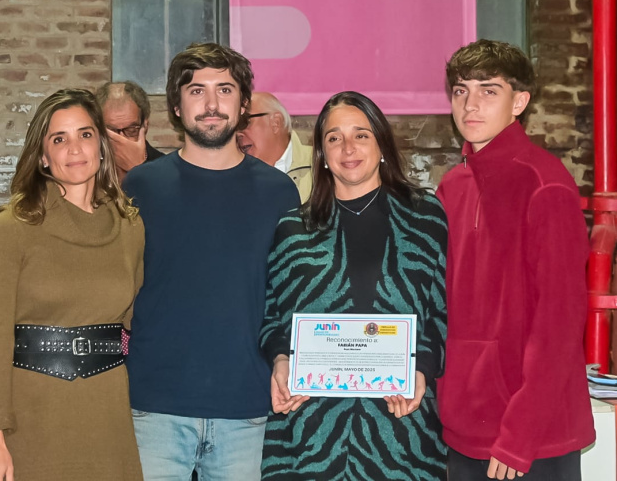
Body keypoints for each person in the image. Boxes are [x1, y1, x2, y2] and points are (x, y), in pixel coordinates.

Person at [122, 43, 299, 480]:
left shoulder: (279, 192)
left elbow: (288, 296)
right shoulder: (141, 186)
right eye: (197, 91)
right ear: (176, 107)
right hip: (154, 408)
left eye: (225, 89)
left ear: (243, 104)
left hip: (247, 409)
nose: (212, 104)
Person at [259, 91, 448, 480]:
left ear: (381, 144)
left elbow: (442, 311)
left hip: (401, 431)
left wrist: (421, 369)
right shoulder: (292, 229)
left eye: (361, 135)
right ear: (322, 154)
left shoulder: (426, 217)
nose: (348, 148)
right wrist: (280, 360)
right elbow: (271, 313)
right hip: (308, 433)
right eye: (334, 138)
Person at [436, 39, 595, 480]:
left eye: (489, 91)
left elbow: (560, 321)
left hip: (532, 436)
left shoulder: (545, 184)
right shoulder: (452, 186)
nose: (471, 104)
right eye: (461, 90)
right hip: (464, 426)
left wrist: (520, 434)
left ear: (519, 102)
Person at [0, 89, 144, 480]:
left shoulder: (130, 226)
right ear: (42, 156)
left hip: (108, 410)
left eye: (85, 134)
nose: (75, 148)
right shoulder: (11, 228)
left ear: (101, 146)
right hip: (33, 413)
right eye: (59, 139)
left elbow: (133, 324)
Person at [237, 92, 313, 202]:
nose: (238, 134)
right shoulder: (231, 175)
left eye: (244, 123)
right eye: (234, 126)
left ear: (276, 122)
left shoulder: (320, 165)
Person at [96, 81, 165, 182]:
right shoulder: (90, 167)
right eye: (112, 131)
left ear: (145, 126)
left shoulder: (165, 169)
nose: (121, 139)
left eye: (131, 130)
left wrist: (138, 169)